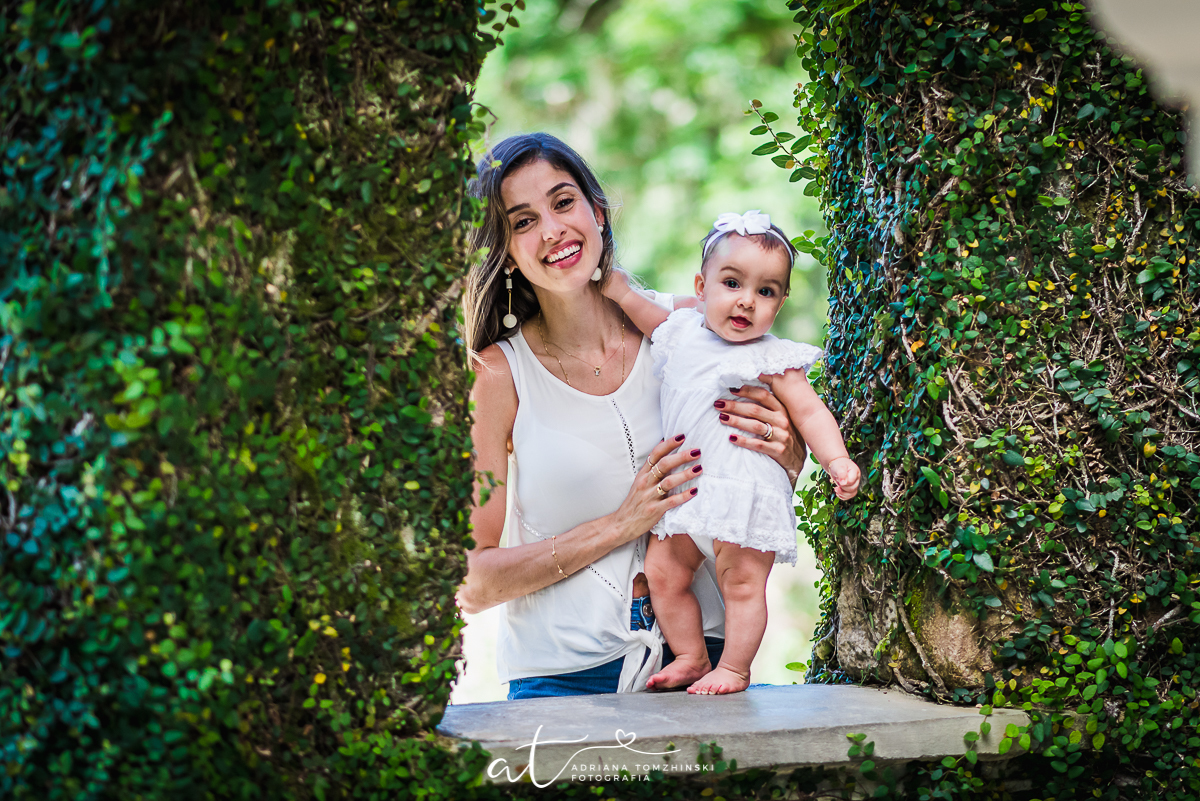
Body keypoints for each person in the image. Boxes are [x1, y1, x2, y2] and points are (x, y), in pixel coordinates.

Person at [456, 133, 809, 699]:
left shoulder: (696, 331)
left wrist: (786, 452)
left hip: (708, 670)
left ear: (597, 211)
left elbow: (770, 465)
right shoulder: (496, 376)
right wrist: (621, 524)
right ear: (504, 250)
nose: (551, 230)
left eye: (563, 202)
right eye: (522, 221)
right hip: (562, 680)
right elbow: (468, 583)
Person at [601, 210, 862, 695]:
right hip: (686, 495)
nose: (746, 300)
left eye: (765, 292)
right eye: (731, 283)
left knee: (742, 585)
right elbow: (647, 315)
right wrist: (617, 291)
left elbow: (810, 414)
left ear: (779, 305)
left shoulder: (772, 357)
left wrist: (836, 460)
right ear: (701, 288)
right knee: (663, 573)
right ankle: (692, 655)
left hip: (744, 494)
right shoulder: (681, 332)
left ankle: (735, 668)